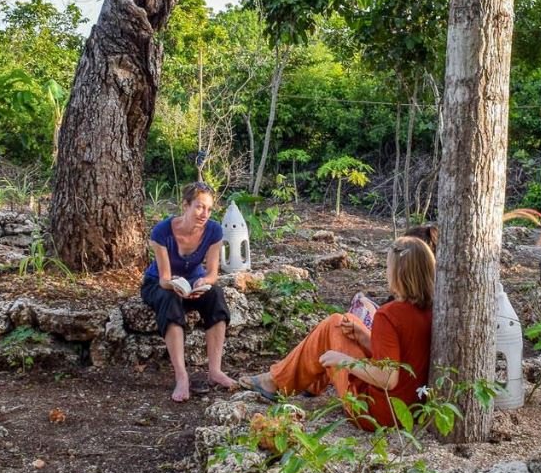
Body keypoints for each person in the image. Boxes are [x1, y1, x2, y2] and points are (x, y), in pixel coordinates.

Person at [241, 235, 435, 430]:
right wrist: (365, 337)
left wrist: (343, 360)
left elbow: (388, 379)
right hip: (410, 410)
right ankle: (307, 381)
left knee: (333, 324)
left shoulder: (389, 314)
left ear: (398, 273)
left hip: (374, 414)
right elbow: (403, 356)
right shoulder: (432, 310)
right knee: (347, 322)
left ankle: (278, 381)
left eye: (388, 268)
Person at [139, 182, 236, 402]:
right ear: (186, 205)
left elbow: (212, 273)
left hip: (194, 282)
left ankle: (215, 370)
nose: (205, 214)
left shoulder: (214, 231)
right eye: (200, 207)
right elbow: (164, 278)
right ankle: (182, 377)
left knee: (216, 296)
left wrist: (203, 282)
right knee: (170, 299)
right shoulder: (162, 231)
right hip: (160, 284)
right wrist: (175, 284)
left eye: (209, 209)